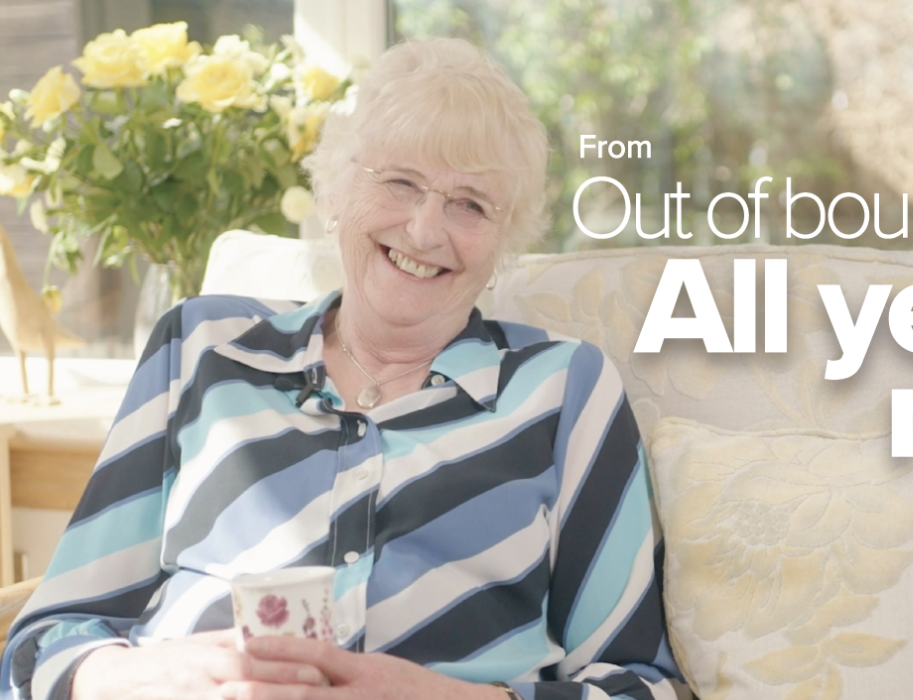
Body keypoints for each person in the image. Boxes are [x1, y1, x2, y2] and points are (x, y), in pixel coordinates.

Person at [1, 38, 681, 700]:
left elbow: (642, 685)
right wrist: (135, 677)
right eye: (401, 182)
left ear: (505, 241)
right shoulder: (203, 346)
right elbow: (45, 641)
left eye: (469, 204)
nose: (423, 230)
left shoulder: (564, 390)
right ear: (333, 192)